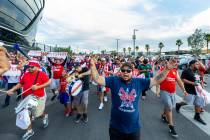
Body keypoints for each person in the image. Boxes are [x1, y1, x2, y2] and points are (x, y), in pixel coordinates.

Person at [90, 57, 176, 140]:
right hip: (116, 128)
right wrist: (93, 65)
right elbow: (98, 79)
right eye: (123, 70)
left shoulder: (139, 82)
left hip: (133, 129)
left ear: (132, 71)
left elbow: (156, 80)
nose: (125, 72)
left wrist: (167, 69)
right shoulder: (114, 80)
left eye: (128, 71)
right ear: (120, 71)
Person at [7, 60, 51, 140]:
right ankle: (29, 131)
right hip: (27, 97)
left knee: (37, 114)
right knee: (27, 114)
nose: (29, 68)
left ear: (37, 67)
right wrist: (12, 89)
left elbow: (48, 83)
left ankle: (44, 115)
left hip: (38, 97)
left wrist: (38, 87)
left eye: (32, 67)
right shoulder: (26, 74)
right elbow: (21, 83)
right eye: (29, 67)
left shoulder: (42, 74)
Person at [159, 58, 188, 138]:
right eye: (172, 62)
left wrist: (184, 90)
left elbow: (179, 81)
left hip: (172, 92)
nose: (174, 63)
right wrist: (158, 90)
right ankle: (171, 127)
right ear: (168, 62)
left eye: (175, 62)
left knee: (170, 106)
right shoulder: (162, 70)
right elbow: (158, 79)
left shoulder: (175, 71)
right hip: (164, 91)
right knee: (169, 107)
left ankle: (164, 115)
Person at [176, 60, 207, 125]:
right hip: (189, 90)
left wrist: (202, 87)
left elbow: (200, 80)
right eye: (197, 64)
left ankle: (197, 116)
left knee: (198, 103)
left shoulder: (197, 71)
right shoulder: (186, 71)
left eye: (198, 64)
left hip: (198, 91)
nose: (198, 65)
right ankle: (178, 105)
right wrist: (192, 83)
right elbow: (182, 79)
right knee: (187, 102)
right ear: (192, 64)